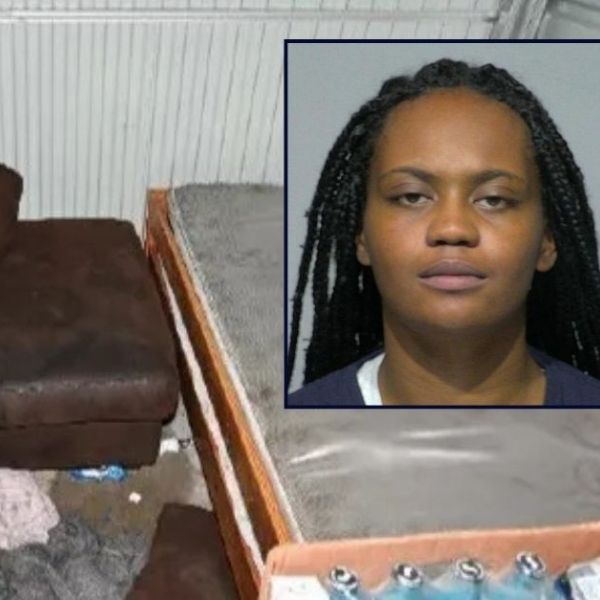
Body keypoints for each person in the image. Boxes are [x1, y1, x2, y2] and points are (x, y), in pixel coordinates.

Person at [287, 58, 600, 407]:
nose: (452, 228)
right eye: (411, 196)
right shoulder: (288, 429)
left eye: (494, 199)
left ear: (547, 240)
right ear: (361, 235)